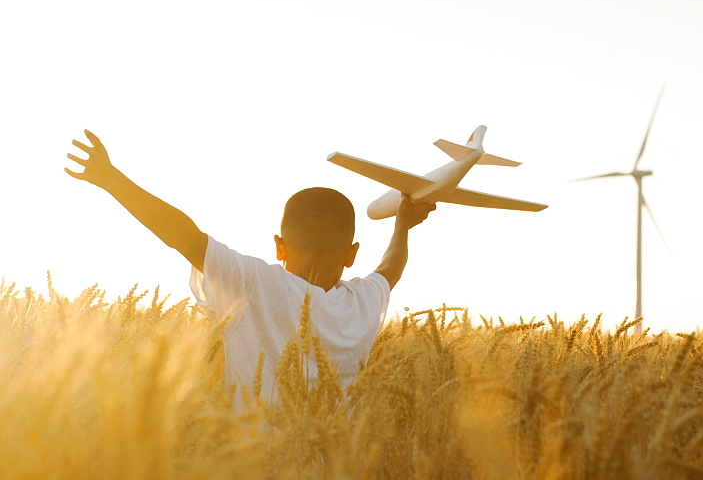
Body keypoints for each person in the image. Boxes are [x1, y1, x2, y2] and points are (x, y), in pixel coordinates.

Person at [65, 129, 435, 406]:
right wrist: (402, 223)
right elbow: (391, 267)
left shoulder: (254, 284)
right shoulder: (363, 303)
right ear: (352, 253)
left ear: (279, 246)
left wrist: (111, 179)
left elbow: (184, 237)